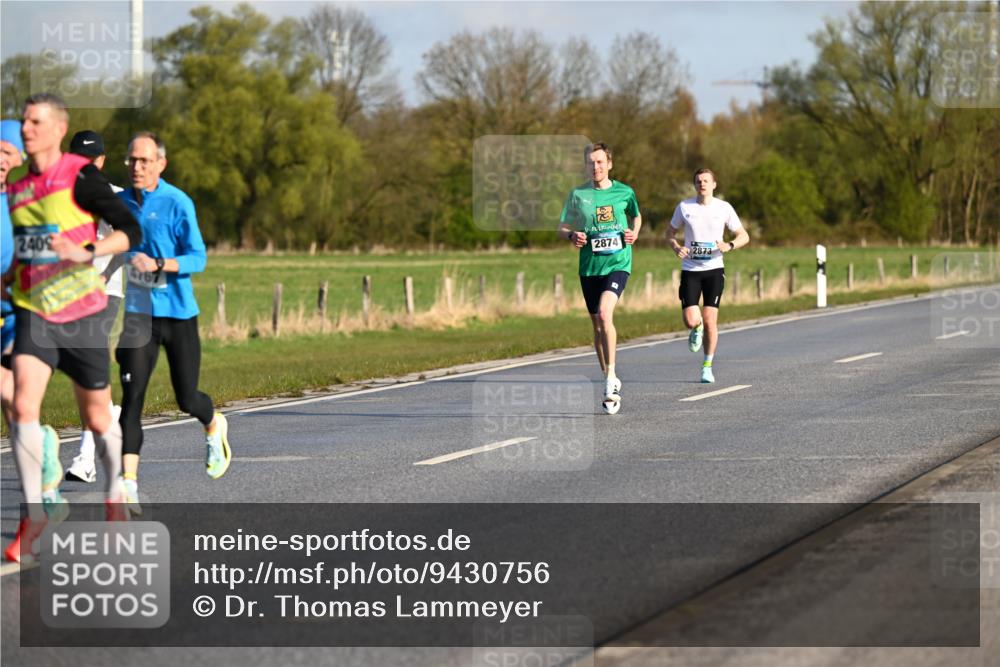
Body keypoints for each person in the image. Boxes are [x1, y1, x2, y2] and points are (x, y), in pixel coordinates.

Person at [4, 93, 143, 563]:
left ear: (58, 129)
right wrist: (10, 277)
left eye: (35, 122)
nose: (26, 129)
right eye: (24, 121)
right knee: (23, 402)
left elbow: (130, 230)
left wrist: (88, 251)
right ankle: (34, 512)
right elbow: (28, 240)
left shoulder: (80, 178)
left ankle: (114, 497)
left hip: (81, 311)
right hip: (33, 309)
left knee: (98, 418)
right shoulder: (18, 181)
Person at [116, 131, 231, 517]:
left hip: (179, 315)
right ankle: (128, 486)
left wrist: (160, 264)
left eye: (144, 161)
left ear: (160, 164)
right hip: (139, 316)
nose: (137, 167)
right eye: (132, 160)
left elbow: (198, 258)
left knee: (186, 397)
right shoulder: (117, 204)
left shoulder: (177, 202)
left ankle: (213, 424)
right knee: (131, 400)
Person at [558, 142, 641, 414]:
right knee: (596, 326)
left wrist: (633, 233)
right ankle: (609, 375)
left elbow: (636, 217)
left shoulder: (624, 192)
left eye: (600, 162)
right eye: (591, 163)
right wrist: (572, 235)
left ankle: (610, 378)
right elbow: (563, 225)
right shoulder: (578, 194)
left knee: (606, 315)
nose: (596, 167)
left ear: (610, 164)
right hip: (589, 268)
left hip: (618, 263)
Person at [65, 130, 126, 483]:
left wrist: (105, 274)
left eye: (91, 159)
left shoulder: (114, 196)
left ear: (102, 160)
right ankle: (109, 412)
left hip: (105, 291)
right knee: (79, 370)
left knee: (89, 363)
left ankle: (85, 459)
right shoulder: (63, 197)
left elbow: (128, 241)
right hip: (66, 294)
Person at [666, 168, 750, 384]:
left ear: (714, 184)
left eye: (705, 181)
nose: (702, 184)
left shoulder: (724, 208)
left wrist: (729, 245)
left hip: (714, 269)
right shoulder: (684, 207)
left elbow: (744, 236)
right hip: (691, 270)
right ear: (695, 185)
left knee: (711, 320)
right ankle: (697, 327)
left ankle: (707, 366)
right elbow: (670, 233)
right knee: (691, 320)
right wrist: (676, 247)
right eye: (698, 181)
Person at [1, 119, 27, 426]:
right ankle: (34, 460)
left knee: (8, 391)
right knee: (12, 408)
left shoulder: (30, 199)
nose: (0, 159)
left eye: (8, 151)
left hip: (22, 312)